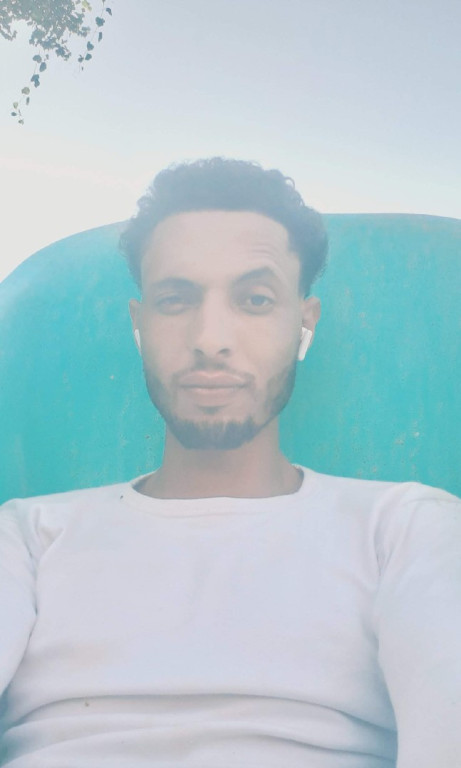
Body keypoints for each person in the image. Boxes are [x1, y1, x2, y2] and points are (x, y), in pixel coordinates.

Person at [1, 158, 460, 768]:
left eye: (255, 299)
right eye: (175, 300)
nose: (210, 339)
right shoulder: (27, 537)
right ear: (140, 325)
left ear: (304, 323)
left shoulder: (406, 528)